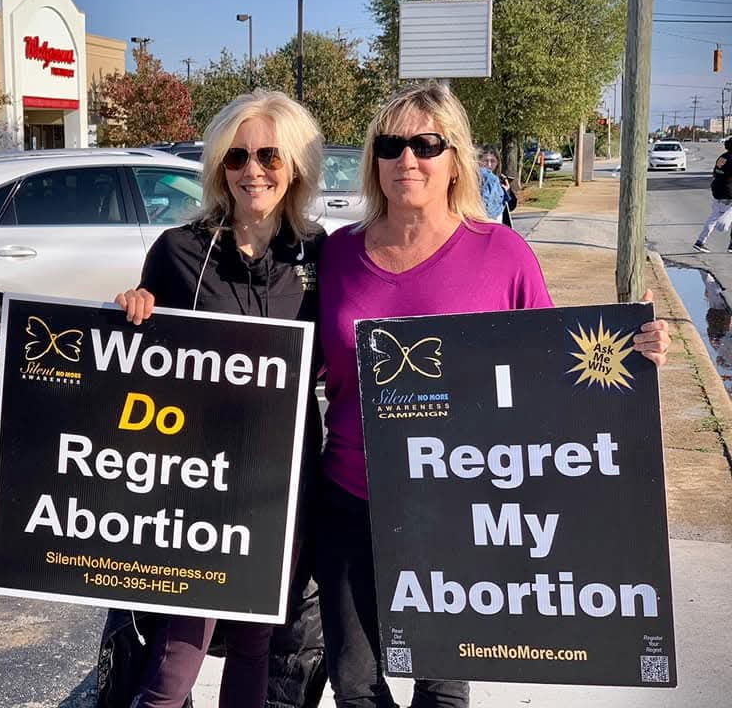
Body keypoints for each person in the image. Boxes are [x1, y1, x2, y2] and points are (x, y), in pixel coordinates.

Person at [314, 82, 671, 708]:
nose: (407, 161)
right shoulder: (337, 254)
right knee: (354, 681)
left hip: (461, 505)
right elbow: (290, 353)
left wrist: (631, 354)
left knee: (442, 685)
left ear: (456, 158)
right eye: (391, 146)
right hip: (351, 495)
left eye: (426, 145)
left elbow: (554, 369)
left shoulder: (500, 253)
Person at [110, 89, 327, 708]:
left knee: (258, 638)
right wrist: (134, 309)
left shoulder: (319, 252)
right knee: (182, 645)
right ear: (218, 167)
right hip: (199, 477)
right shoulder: (178, 250)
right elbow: (140, 360)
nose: (252, 170)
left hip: (282, 477)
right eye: (236, 157)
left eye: (269, 155)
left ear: (294, 167)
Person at [692, 136, 732, 253]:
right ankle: (731, 244)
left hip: (717, 191)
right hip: (729, 194)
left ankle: (700, 242)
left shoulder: (722, 157)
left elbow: (715, 173)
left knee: (712, 219)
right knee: (721, 224)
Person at [479, 144, 517, 228]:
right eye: (485, 161)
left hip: (500, 225)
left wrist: (507, 192)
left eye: (492, 161)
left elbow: (511, 206)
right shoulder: (474, 181)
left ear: (497, 163)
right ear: (479, 161)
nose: (489, 165)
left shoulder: (501, 180)